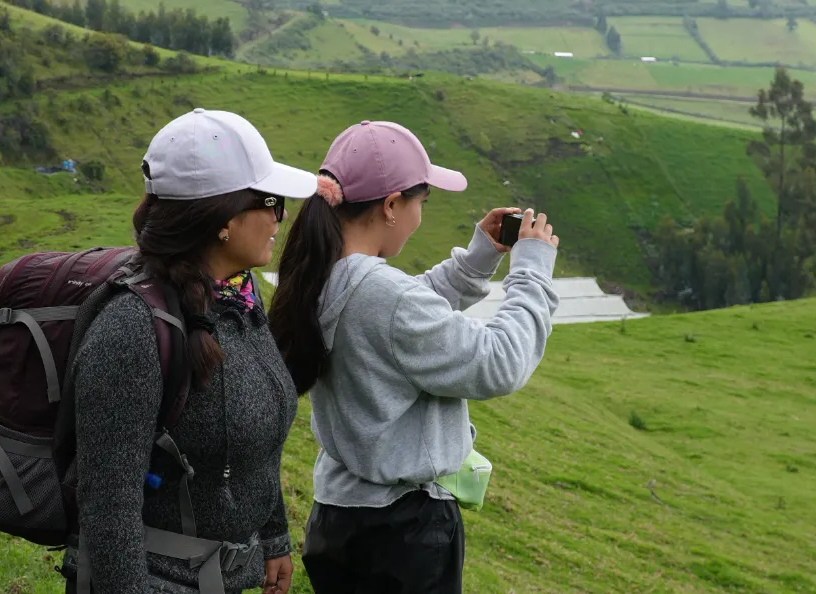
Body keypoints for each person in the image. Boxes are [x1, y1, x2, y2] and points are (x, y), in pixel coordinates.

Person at [268, 120, 562, 593]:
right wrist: (531, 273)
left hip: (339, 520)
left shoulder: (318, 274)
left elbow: (396, 318)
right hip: (403, 535)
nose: (419, 216)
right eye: (420, 202)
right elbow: (499, 361)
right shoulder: (381, 294)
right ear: (389, 206)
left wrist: (475, 260)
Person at [66, 108, 316, 594]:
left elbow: (258, 436)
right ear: (222, 218)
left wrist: (272, 536)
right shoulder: (133, 328)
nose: (279, 218)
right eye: (271, 202)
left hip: (225, 576)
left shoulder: (239, 298)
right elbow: (107, 503)